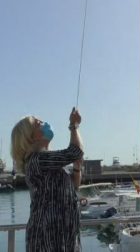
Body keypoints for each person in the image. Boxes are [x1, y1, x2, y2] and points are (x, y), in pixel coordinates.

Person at [11, 107, 84, 252]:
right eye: (38, 124)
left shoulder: (46, 160)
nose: (44, 123)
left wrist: (77, 168)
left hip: (63, 233)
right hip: (48, 236)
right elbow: (76, 152)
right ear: (30, 137)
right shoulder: (38, 160)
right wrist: (74, 126)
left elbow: (74, 185)